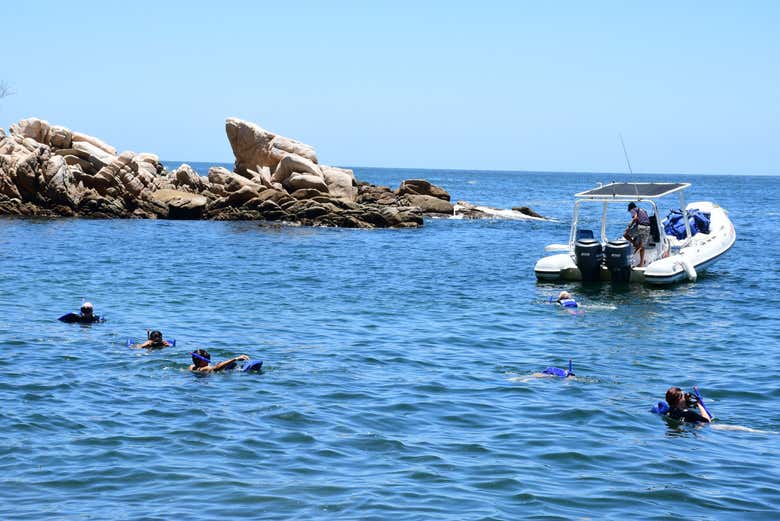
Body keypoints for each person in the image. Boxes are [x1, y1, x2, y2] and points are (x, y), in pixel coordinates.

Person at [624, 202, 652, 266]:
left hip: (640, 227)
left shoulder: (633, 210)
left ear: (630, 208)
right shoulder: (643, 210)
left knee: (625, 235)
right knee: (642, 246)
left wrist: (629, 227)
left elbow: (635, 218)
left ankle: (635, 245)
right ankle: (641, 263)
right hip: (647, 228)